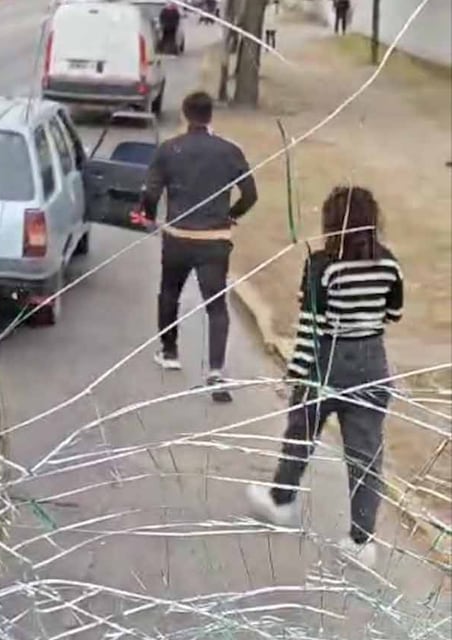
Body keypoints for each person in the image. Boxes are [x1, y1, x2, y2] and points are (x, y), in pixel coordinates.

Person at [247, 186, 403, 568]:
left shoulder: (321, 265)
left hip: (327, 360)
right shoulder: (389, 263)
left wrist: (295, 377)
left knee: (300, 433)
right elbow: (394, 313)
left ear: (332, 223)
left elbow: (311, 328)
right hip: (372, 362)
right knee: (365, 456)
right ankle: (361, 540)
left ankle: (281, 501)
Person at [131, 91, 257, 402]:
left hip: (177, 236)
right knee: (216, 306)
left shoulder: (169, 149)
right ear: (210, 115)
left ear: (186, 115)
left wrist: (147, 216)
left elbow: (151, 192)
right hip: (214, 240)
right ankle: (215, 368)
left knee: (169, 292)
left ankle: (170, 350)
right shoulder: (230, 151)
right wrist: (231, 215)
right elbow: (250, 194)